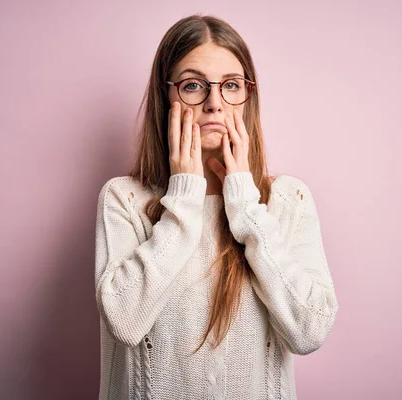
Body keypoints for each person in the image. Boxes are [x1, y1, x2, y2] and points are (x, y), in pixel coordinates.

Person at [94, 14, 338, 399]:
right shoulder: (124, 199)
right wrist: (185, 195)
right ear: (167, 96)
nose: (214, 104)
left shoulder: (288, 201)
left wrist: (244, 205)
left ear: (247, 96)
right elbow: (125, 322)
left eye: (230, 86)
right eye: (193, 85)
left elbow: (310, 330)